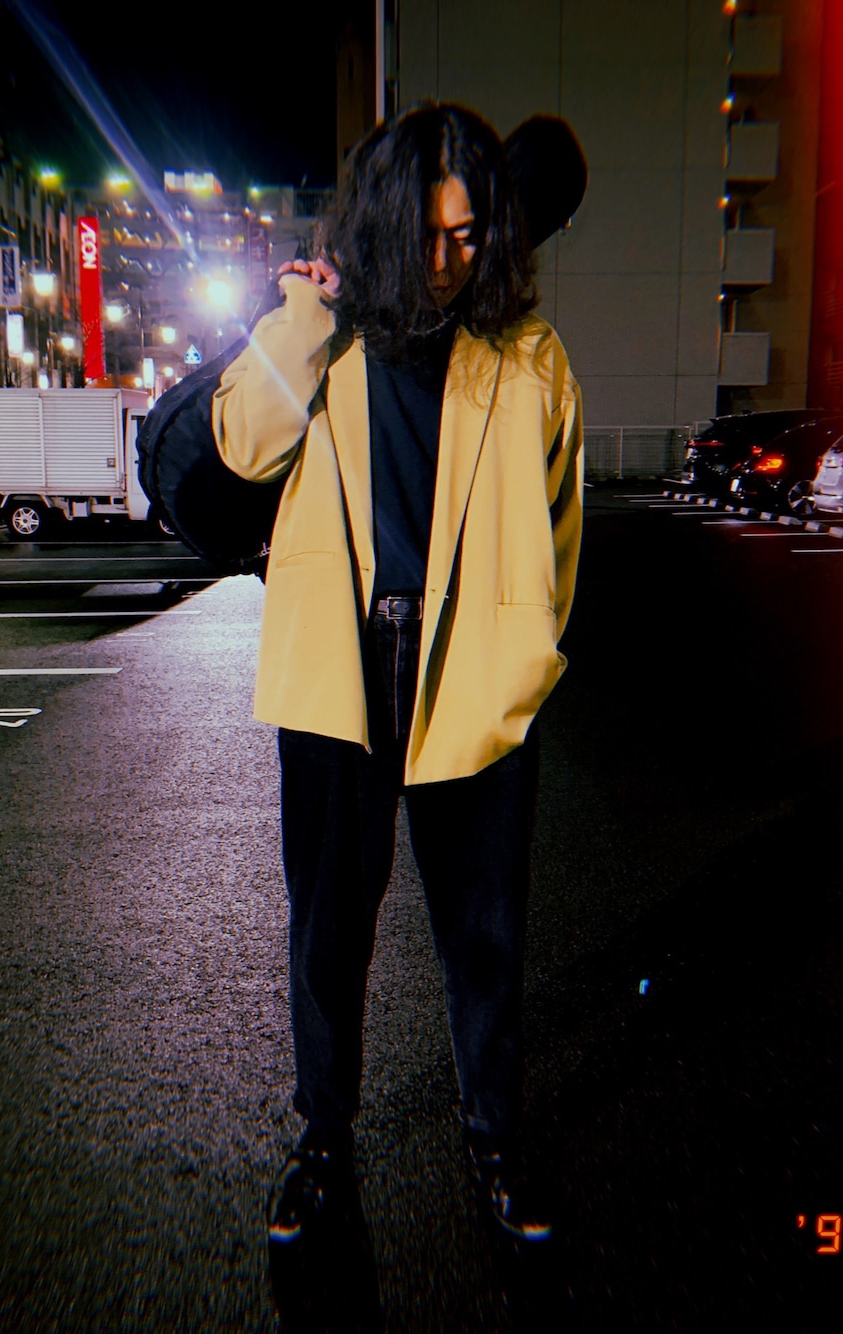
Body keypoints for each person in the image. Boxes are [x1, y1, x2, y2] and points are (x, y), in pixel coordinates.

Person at [213, 101, 584, 1254]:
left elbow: (562, 530)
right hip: (340, 670)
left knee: (484, 936)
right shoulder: (324, 334)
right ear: (380, 221)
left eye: (467, 235)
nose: (446, 259)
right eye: (425, 234)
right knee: (328, 929)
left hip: (472, 670)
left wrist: (527, 658)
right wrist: (303, 310)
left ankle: (493, 1135)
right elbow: (242, 442)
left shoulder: (524, 352)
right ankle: (322, 1140)